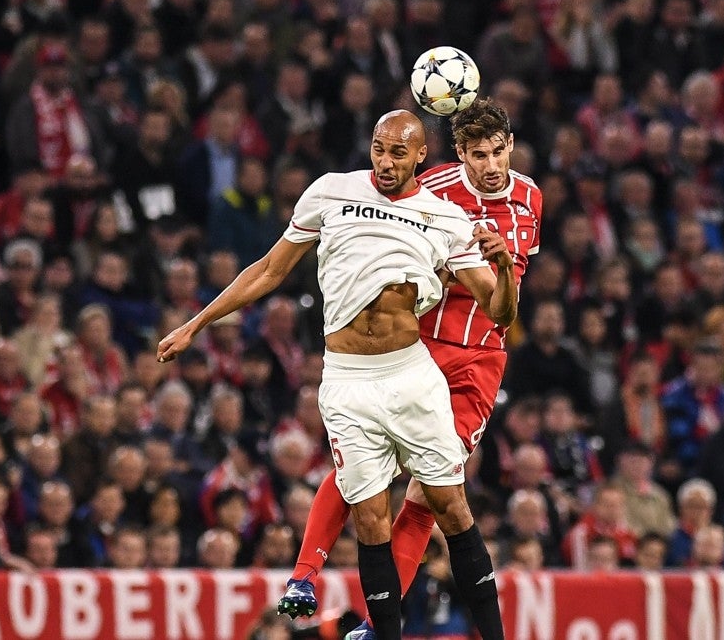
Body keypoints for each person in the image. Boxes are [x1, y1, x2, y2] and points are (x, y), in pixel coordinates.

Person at [157, 109, 517, 640]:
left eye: (399, 153)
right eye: (379, 149)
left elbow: (500, 311)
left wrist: (504, 266)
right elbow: (269, 269)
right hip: (347, 380)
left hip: (410, 374)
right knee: (370, 520)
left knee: (450, 506)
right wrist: (196, 324)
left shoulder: (447, 219)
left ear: (421, 155)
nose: (386, 162)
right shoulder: (330, 191)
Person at [275, 99, 542, 637]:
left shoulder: (532, 198)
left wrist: (496, 272)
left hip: (479, 359)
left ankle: (376, 625)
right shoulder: (434, 189)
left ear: (511, 146)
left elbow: (508, 293)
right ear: (458, 155)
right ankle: (305, 575)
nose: (490, 166)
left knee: (431, 492)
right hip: (420, 348)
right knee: (362, 468)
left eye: (498, 153)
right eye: (477, 155)